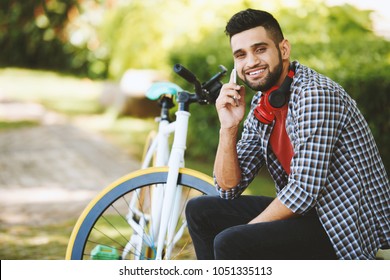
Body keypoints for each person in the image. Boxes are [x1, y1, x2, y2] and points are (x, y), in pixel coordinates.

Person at [185, 8, 390, 260]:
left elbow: (303, 192)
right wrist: (228, 128)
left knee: (231, 242)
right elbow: (228, 187)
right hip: (307, 215)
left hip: (341, 227)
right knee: (200, 210)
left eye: (260, 49)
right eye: (241, 55)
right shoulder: (264, 100)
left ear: (283, 49)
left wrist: (245, 234)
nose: (250, 62)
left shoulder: (315, 95)